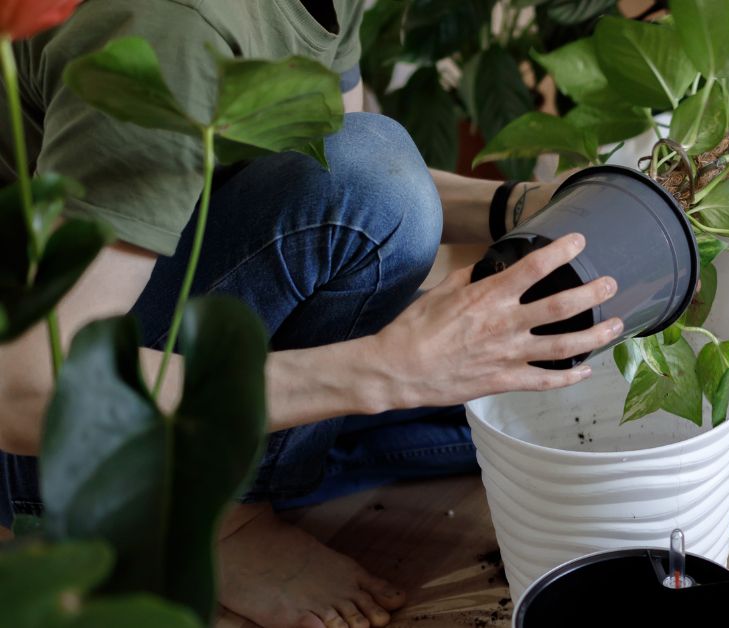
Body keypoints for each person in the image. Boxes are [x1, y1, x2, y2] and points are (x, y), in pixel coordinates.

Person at [0, 1, 621, 627]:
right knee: (438, 367)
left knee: (499, 413)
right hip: (39, 431)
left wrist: (515, 206)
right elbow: (24, 390)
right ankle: (218, 520)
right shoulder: (177, 28)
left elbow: (331, 172)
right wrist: (387, 372)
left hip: (148, 310)